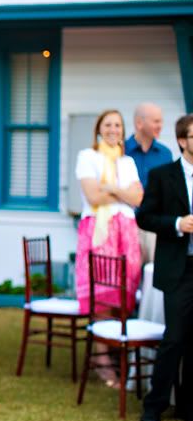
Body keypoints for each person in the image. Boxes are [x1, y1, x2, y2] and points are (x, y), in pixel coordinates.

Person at [75, 109, 143, 387]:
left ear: (123, 131)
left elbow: (137, 197)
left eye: (118, 125)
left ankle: (117, 351)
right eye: (108, 124)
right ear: (99, 129)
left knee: (124, 290)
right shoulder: (87, 157)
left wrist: (110, 187)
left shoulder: (128, 161)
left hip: (126, 231)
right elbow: (92, 196)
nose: (113, 129)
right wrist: (121, 192)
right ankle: (102, 360)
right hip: (98, 231)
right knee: (102, 292)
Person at [136, 113, 193, 421]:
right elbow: (144, 217)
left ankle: (187, 406)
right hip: (178, 268)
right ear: (183, 141)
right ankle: (154, 406)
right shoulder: (162, 175)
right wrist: (176, 224)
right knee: (174, 338)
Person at [124, 103, 173, 264]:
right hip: (127, 224)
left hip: (154, 227)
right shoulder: (121, 151)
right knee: (129, 277)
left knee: (154, 277)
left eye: (161, 121)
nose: (160, 126)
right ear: (139, 123)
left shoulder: (165, 154)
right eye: (156, 121)